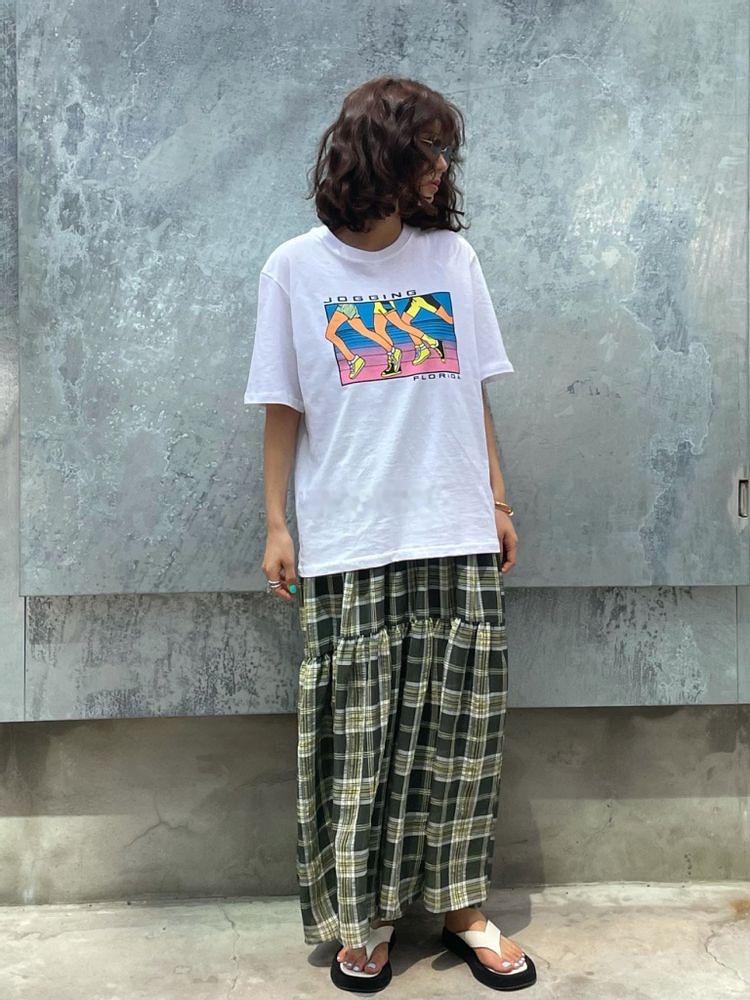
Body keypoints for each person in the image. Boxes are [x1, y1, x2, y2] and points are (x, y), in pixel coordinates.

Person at [244, 76, 537, 993]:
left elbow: (471, 388)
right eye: (427, 149)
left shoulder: (451, 258)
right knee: (358, 745)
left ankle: (461, 908)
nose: (441, 166)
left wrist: (497, 501)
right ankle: (363, 917)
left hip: (451, 529)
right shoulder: (295, 269)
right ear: (379, 153)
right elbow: (282, 404)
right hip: (350, 536)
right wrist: (276, 522)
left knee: (462, 736)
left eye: (445, 151)